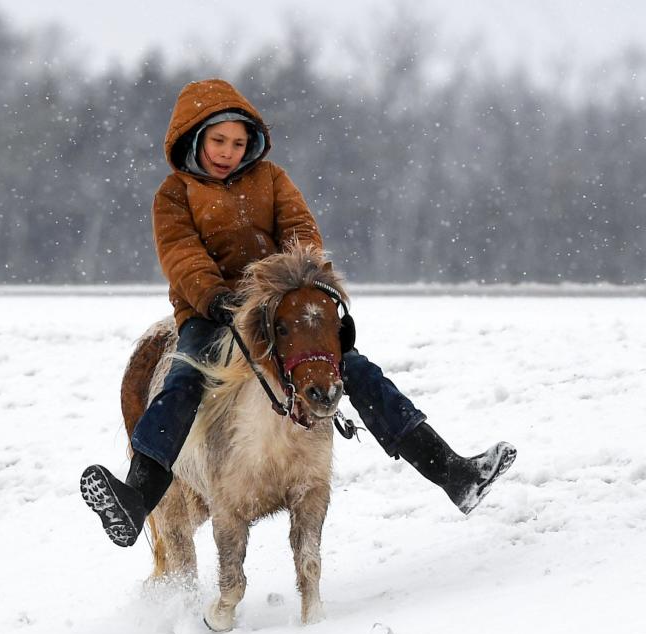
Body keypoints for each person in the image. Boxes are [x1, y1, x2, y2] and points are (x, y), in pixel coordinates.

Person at [80, 79, 517, 548]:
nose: (228, 152)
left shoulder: (270, 179)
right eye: (218, 141)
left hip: (276, 309)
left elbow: (300, 231)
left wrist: (300, 285)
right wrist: (215, 297)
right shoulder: (174, 194)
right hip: (211, 314)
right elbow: (181, 255)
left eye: (238, 142)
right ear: (194, 138)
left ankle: (453, 473)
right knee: (182, 383)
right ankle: (136, 497)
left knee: (356, 370)